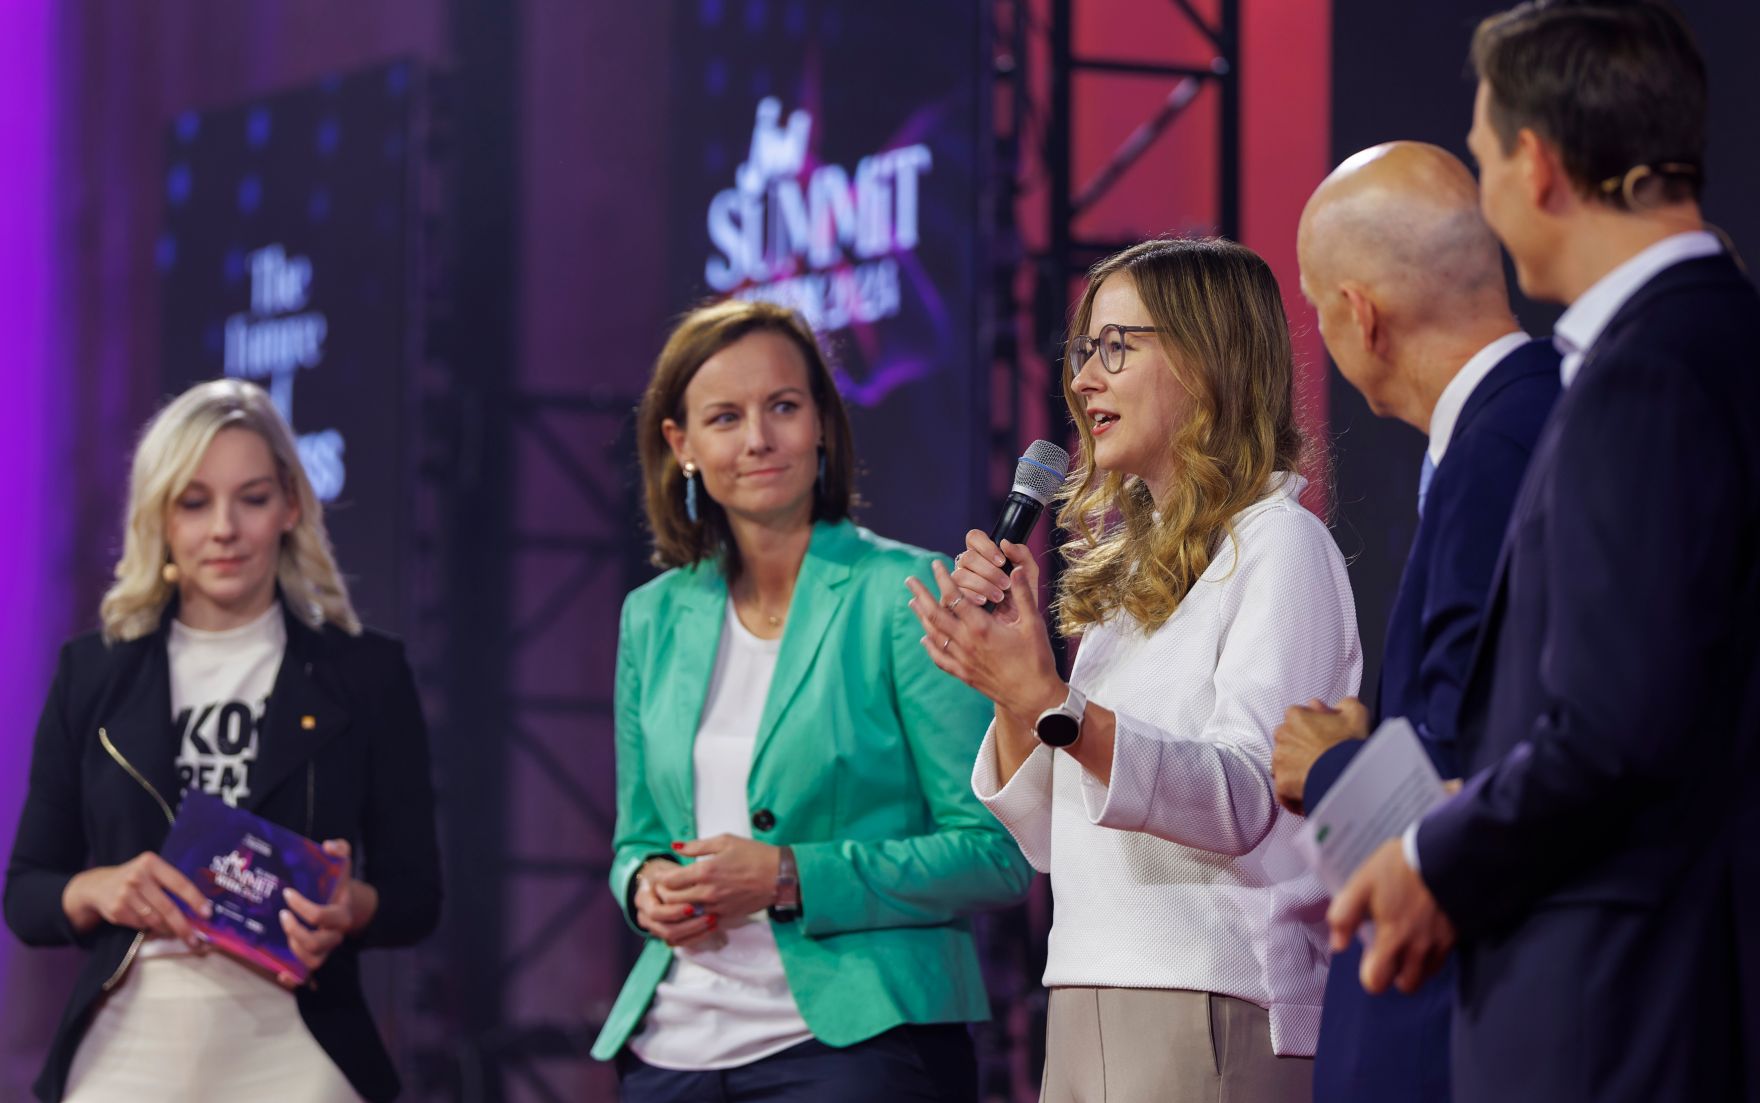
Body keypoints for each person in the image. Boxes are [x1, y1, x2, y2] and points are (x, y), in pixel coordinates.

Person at [1327, 4, 1760, 1101]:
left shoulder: (1645, 370)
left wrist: (1430, 855)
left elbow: (1611, 724)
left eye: (1479, 157)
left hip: (1611, 1005)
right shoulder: (1713, 336)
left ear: (1534, 164)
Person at [908, 237, 1362, 1102]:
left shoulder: (1279, 545)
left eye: (1117, 346)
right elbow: (1052, 839)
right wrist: (1022, 691)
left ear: (1211, 359)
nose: (1083, 380)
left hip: (1212, 997)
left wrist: (1054, 703)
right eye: (1084, 349)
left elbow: (1243, 797)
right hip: (1086, 990)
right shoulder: (1134, 575)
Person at [589, 298, 1033, 1101]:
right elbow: (635, 842)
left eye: (783, 407)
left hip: (861, 1046)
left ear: (823, 423)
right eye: (724, 417)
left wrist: (789, 874)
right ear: (681, 445)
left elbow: (995, 855)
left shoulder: (907, 596)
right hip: (673, 1049)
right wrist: (645, 885)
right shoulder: (652, 616)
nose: (757, 438)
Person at [4, 379, 442, 1102]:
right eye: (194, 501)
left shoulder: (365, 674)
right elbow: (26, 894)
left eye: (254, 497)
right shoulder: (93, 672)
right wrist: (105, 887)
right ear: (161, 517)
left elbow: (416, 897)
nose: (225, 529)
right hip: (130, 1031)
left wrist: (346, 905)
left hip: (297, 1034)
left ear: (291, 507)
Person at [1270, 140, 1559, 1103]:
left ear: (1362, 314)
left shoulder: (1500, 455)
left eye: (1317, 306)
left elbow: (1500, 769)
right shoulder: (1517, 427)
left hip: (1461, 1024)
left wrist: (1337, 767)